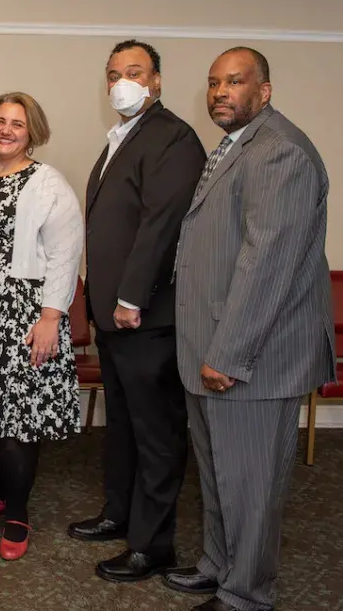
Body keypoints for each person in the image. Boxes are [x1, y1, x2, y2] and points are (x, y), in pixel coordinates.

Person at [167, 48, 335, 611]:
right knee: (219, 477)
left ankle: (246, 595)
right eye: (214, 83)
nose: (221, 91)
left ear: (264, 90)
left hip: (252, 357)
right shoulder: (239, 145)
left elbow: (269, 264)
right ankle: (219, 566)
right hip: (212, 346)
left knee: (252, 486)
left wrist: (228, 353)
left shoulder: (280, 152)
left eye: (235, 82)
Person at [70, 40, 206, 582]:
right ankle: (119, 514)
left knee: (156, 432)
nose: (121, 81)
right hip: (114, 318)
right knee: (121, 423)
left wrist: (129, 298)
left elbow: (162, 223)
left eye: (134, 72)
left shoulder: (173, 136)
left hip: (146, 316)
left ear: (157, 81)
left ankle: (153, 545)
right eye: (113, 73)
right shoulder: (121, 139)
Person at [0, 92, 83, 561]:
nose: (6, 130)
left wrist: (51, 318)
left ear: (33, 132)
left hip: (24, 315)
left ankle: (18, 513)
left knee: (17, 418)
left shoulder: (49, 184)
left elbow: (65, 255)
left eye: (18, 123)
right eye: (0, 121)